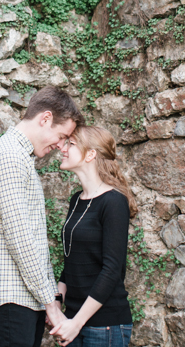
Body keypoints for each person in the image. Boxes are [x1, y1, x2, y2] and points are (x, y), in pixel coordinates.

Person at [0, 86, 84, 347]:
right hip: (10, 303)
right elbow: (21, 239)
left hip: (21, 300)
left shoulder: (19, 157)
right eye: (61, 135)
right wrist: (50, 302)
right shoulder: (10, 157)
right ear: (45, 119)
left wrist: (47, 299)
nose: (60, 145)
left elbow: (31, 237)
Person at [50, 125, 137, 347]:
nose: (63, 148)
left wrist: (76, 323)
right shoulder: (76, 200)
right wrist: (57, 304)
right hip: (74, 320)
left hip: (105, 325)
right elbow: (72, 262)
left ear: (91, 154)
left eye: (71, 144)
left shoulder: (114, 202)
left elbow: (111, 270)